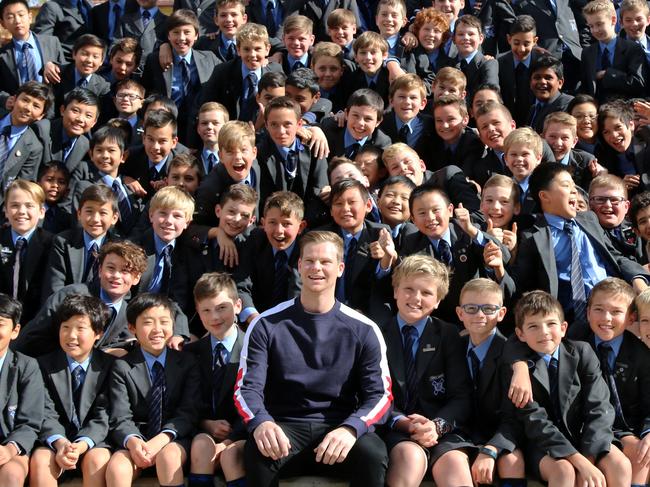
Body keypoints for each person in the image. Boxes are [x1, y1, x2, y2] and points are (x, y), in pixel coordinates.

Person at [233, 230, 392, 486]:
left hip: (339, 428)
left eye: (325, 262)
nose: (316, 268)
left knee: (372, 453)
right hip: (283, 428)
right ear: (299, 265)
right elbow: (247, 388)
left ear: (340, 268)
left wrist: (351, 428)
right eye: (309, 260)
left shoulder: (364, 328)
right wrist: (261, 423)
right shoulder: (265, 324)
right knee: (257, 450)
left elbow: (381, 395)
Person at [502, 290, 632, 487]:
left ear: (563, 328)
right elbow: (535, 421)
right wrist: (577, 460)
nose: (544, 332)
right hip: (542, 444)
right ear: (520, 334)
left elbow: (599, 407)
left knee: (620, 465)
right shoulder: (518, 368)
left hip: (584, 437)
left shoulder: (582, 352)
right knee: (564, 471)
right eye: (533, 326)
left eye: (551, 324)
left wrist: (588, 458)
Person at [381, 254, 474, 487]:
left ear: (438, 301)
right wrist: (405, 423)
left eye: (426, 293)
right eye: (408, 289)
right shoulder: (376, 334)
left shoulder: (449, 335)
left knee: (454, 463)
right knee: (408, 459)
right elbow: (373, 393)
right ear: (395, 291)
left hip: (442, 427)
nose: (416, 298)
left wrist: (436, 426)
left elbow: (461, 397)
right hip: (397, 428)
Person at [105, 293, 200, 487]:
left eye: (164, 322)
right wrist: (133, 441)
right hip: (137, 441)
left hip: (175, 439)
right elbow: (120, 416)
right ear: (132, 328)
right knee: (117, 467)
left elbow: (189, 411)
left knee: (168, 458)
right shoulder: (122, 367)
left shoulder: (187, 363)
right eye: (148, 323)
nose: (157, 330)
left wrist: (162, 439)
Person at [29, 294, 114, 487]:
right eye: (65, 327)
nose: (71, 335)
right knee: (42, 460)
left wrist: (82, 444)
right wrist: (61, 443)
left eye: (80, 328)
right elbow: (44, 411)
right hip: (54, 442)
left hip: (94, 441)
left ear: (98, 332)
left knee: (97, 460)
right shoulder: (41, 366)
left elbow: (105, 413)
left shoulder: (110, 367)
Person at [184, 273, 247, 487]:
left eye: (222, 308)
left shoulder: (254, 349)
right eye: (206, 311)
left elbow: (260, 400)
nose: (214, 317)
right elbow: (187, 401)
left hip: (243, 433)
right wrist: (206, 424)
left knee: (232, 456)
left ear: (237, 305)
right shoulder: (191, 353)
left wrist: (232, 436)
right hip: (202, 434)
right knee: (201, 447)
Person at [586, 278, 650, 486]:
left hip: (626, 428)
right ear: (587, 312)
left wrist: (648, 431)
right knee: (620, 463)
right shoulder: (576, 341)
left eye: (616, 312)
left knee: (642, 454)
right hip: (587, 425)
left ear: (631, 318)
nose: (606, 318)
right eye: (599, 309)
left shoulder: (641, 354)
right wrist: (520, 365)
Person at [0, 293, 44, 487]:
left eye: (0, 323)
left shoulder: (26, 366)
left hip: (10, 447)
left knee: (12, 473)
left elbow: (30, 422)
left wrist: (9, 449)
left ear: (15, 330)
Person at [0, 180, 53, 323]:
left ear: (42, 211)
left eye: (29, 206)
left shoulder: (52, 244)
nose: (22, 211)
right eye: (14, 205)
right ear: (5, 210)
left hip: (36, 323)